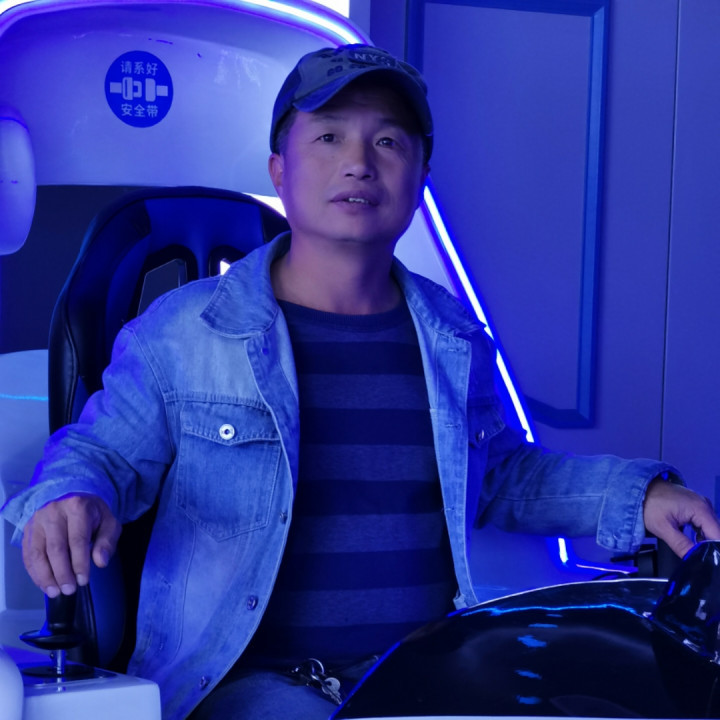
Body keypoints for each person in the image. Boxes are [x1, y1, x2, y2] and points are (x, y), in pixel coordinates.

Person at [2, 44, 719, 720]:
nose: (359, 163)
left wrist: (639, 495)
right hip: (253, 683)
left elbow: (499, 476)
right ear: (279, 169)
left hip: (423, 672)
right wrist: (71, 495)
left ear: (421, 174)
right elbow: (102, 455)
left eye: (388, 142)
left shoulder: (451, 336)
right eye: (329, 137)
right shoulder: (182, 333)